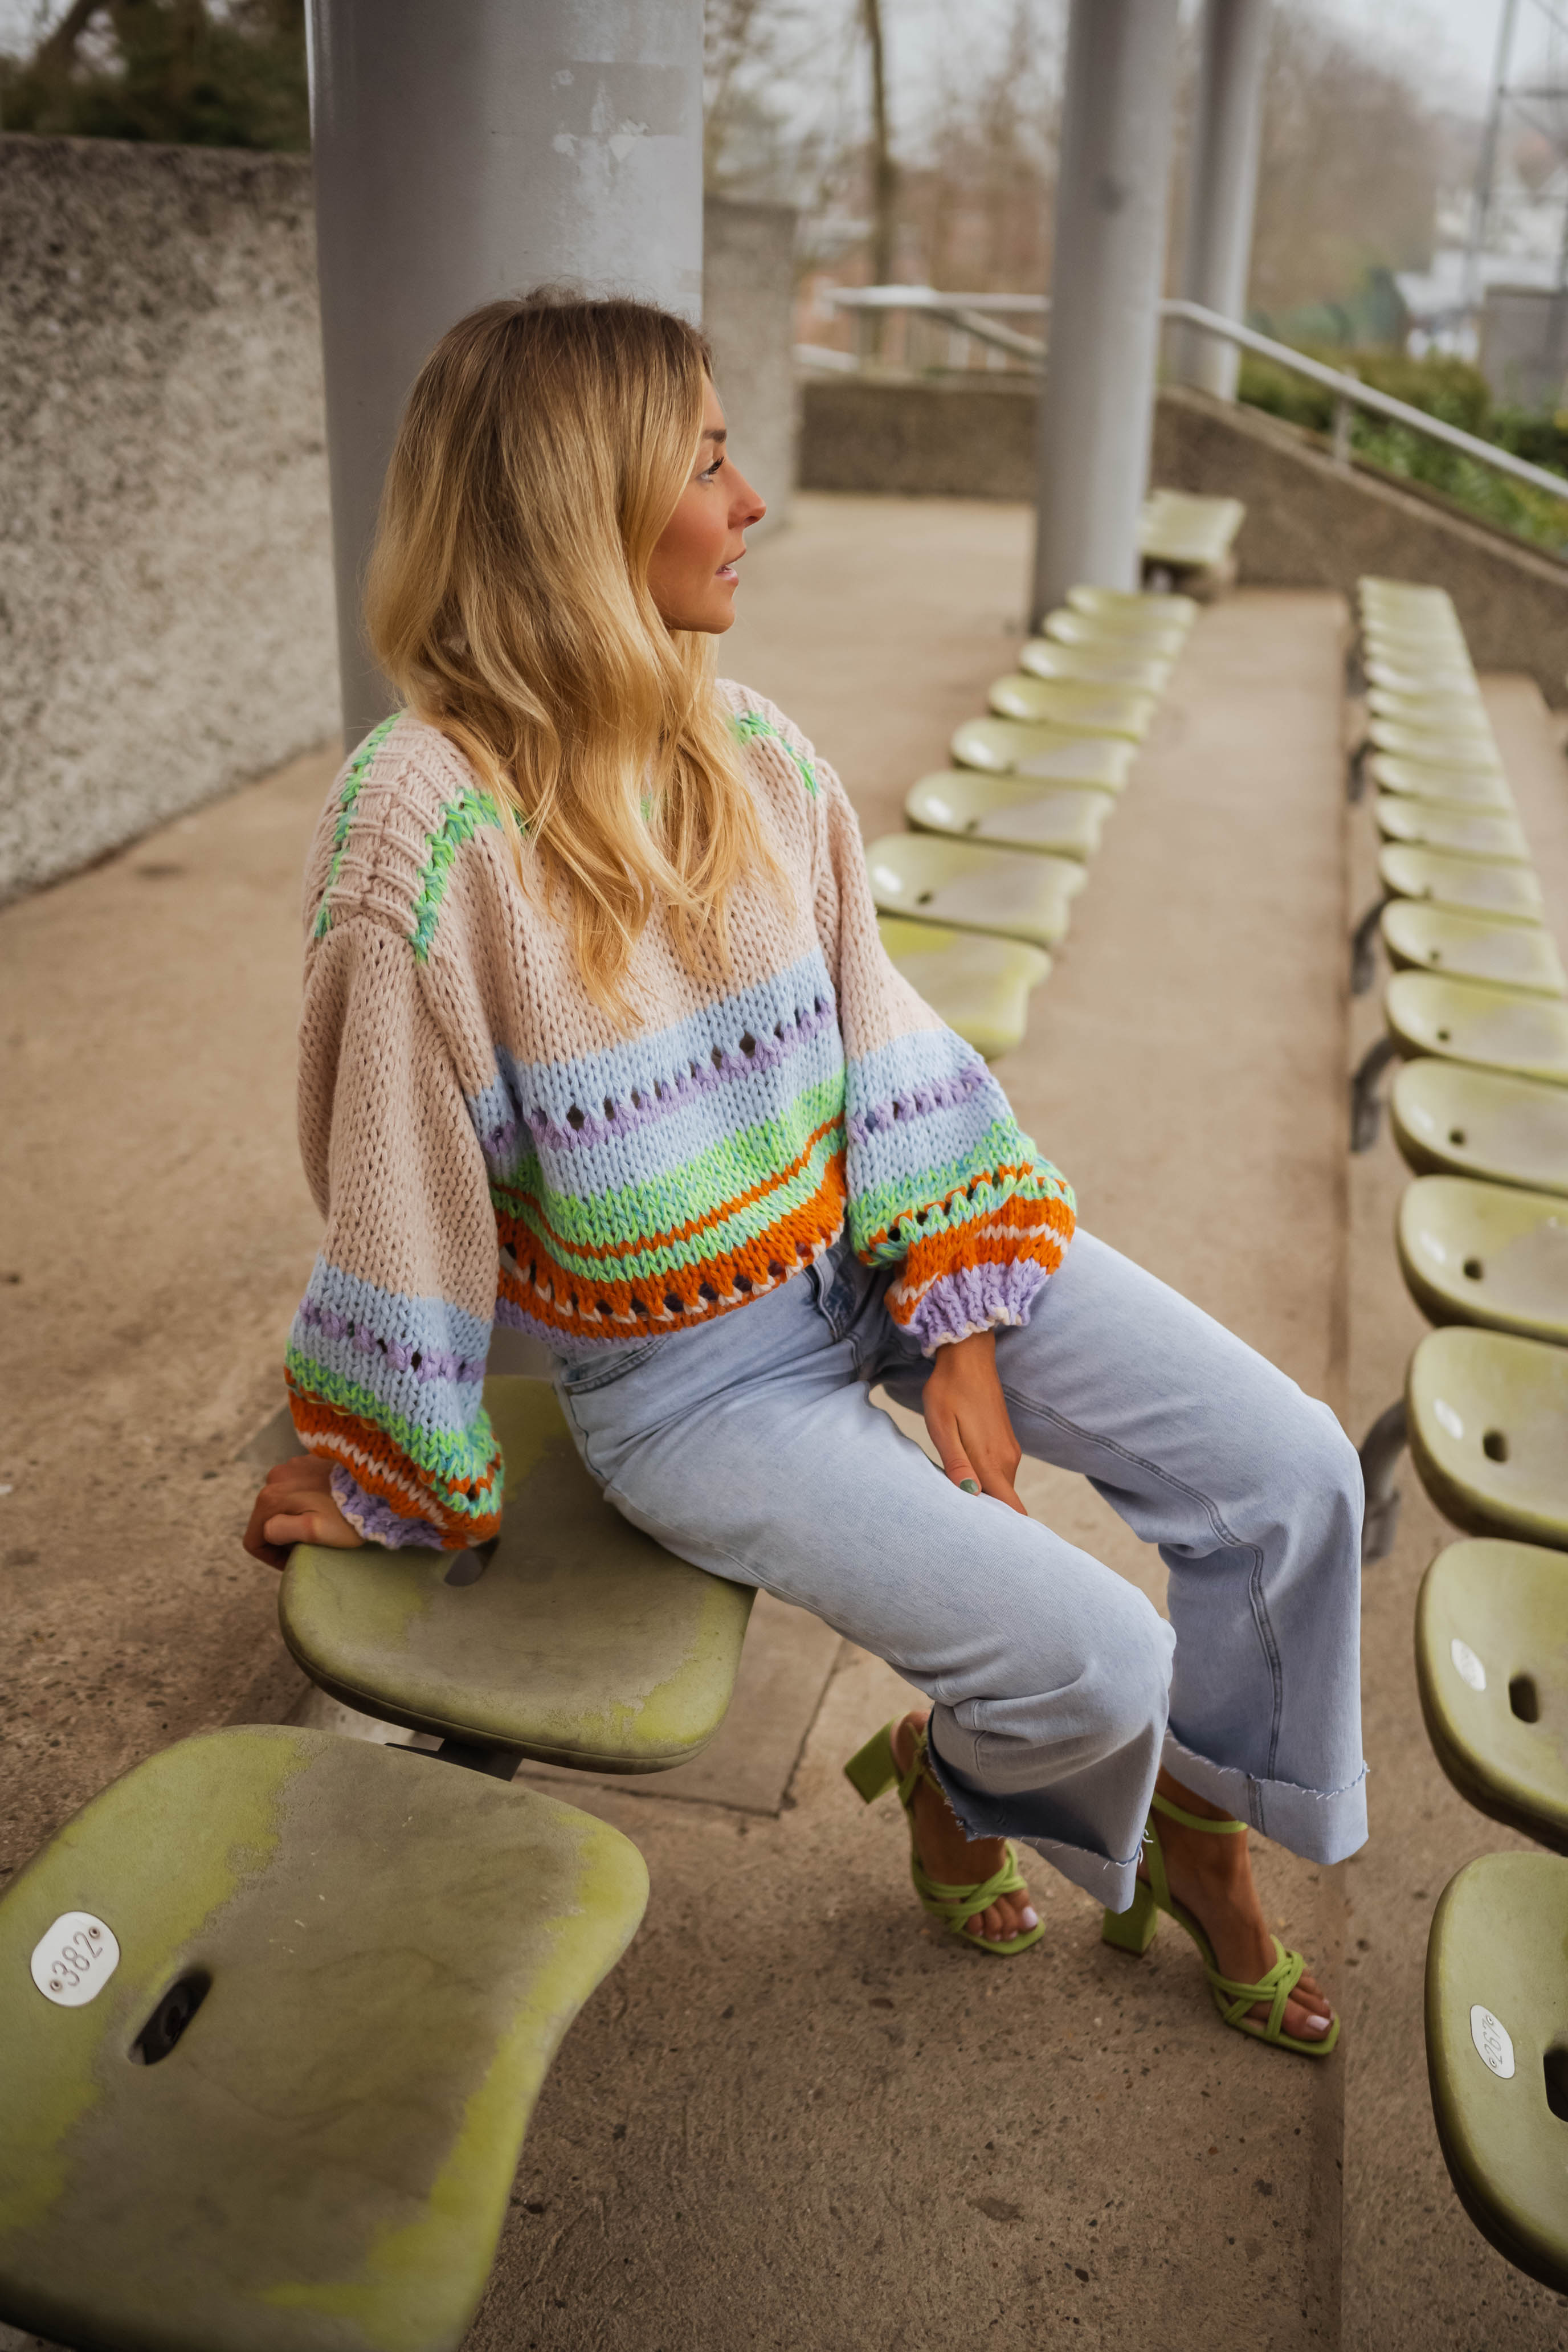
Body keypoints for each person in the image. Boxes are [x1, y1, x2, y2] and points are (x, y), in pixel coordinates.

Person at [245, 293, 1365, 2056]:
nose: (751, 496)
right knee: (1097, 1663)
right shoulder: (422, 822)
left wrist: (962, 1308)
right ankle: (974, 1777)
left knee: (1297, 1474)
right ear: (578, 507)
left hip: (883, 1245)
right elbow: (398, 1182)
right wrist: (385, 1458)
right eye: (704, 459)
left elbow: (886, 1029)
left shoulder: (749, 746)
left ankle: (1206, 1821)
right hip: (688, 1384)